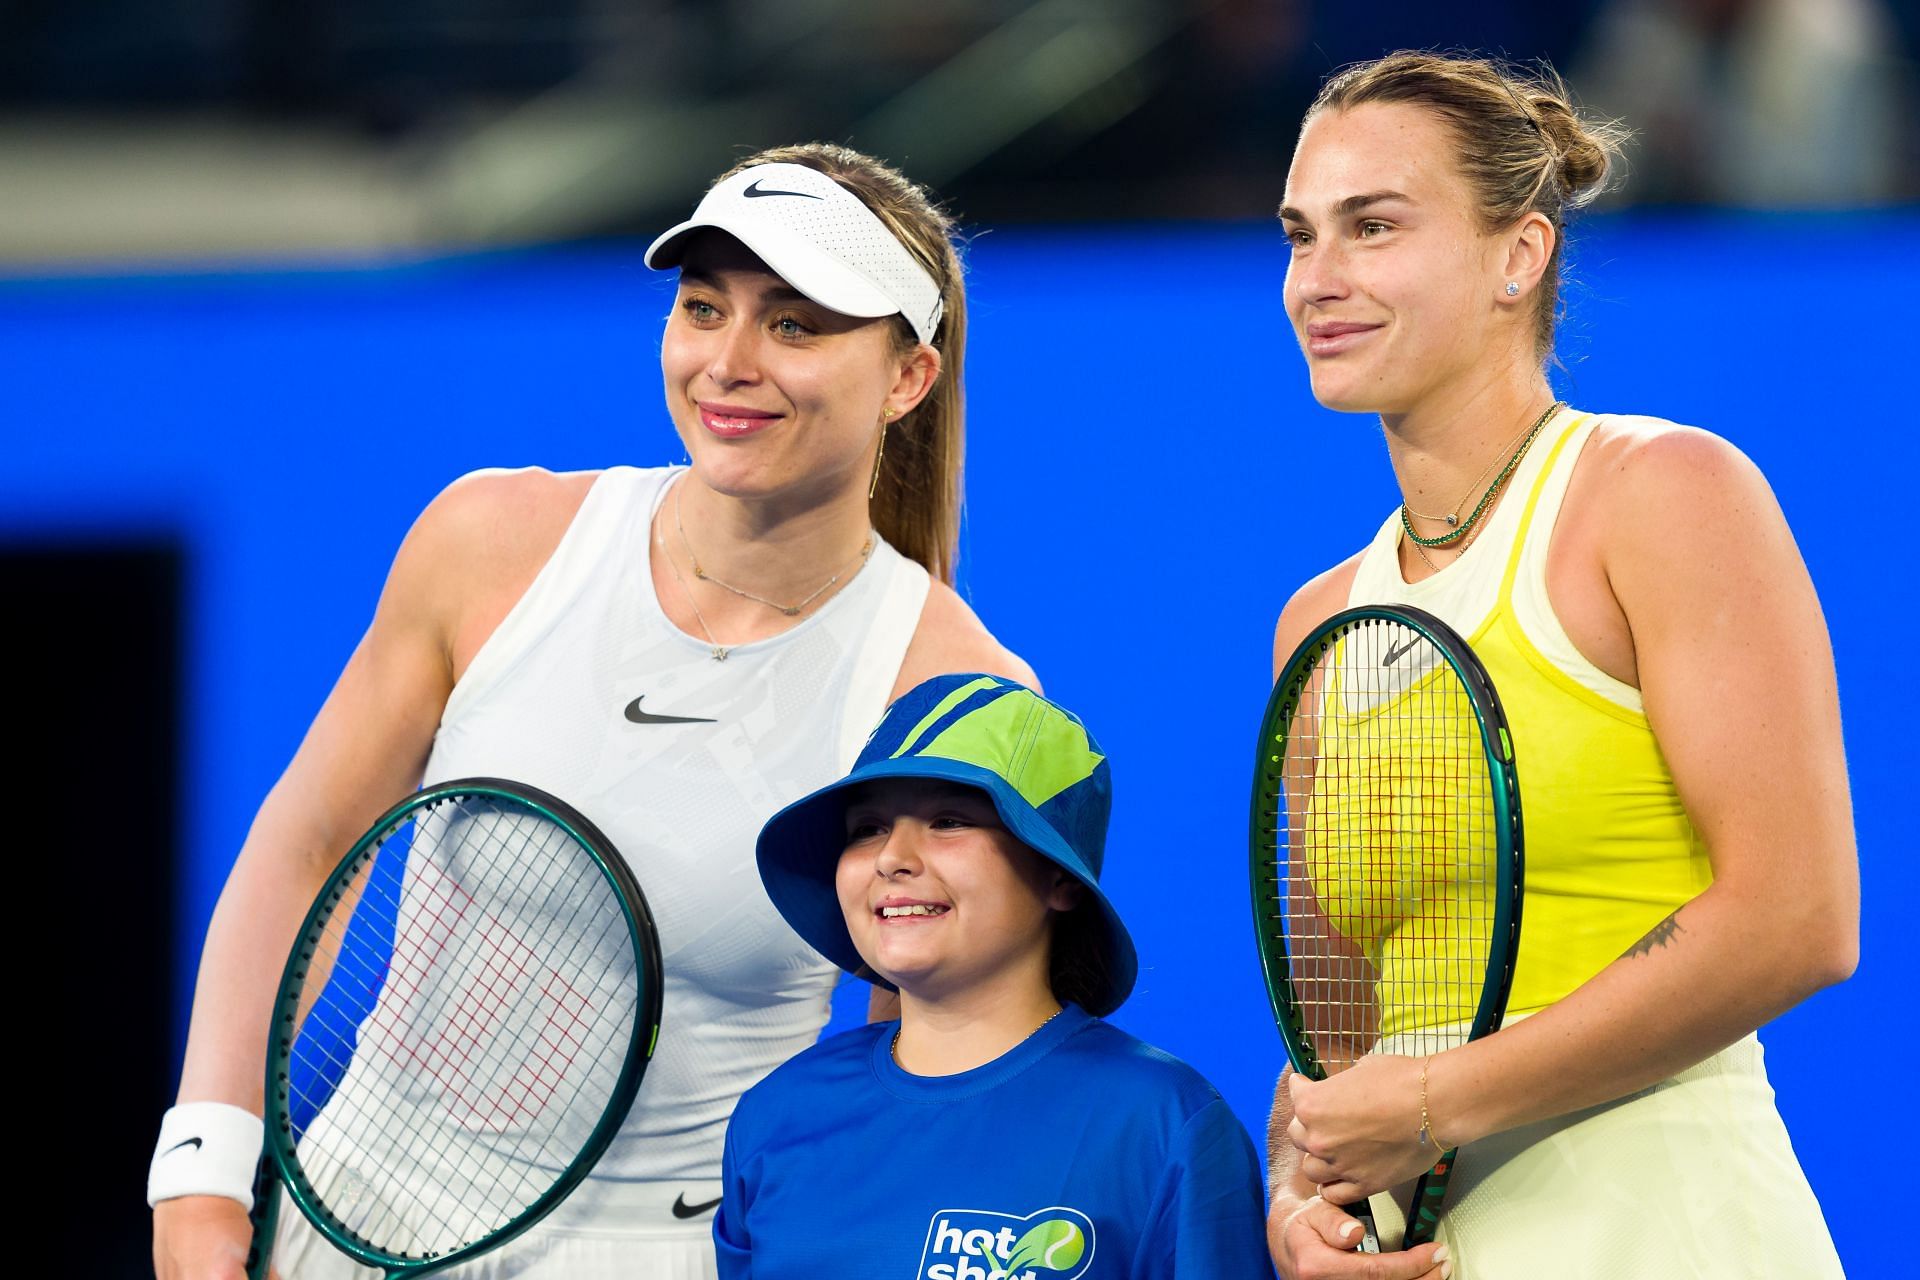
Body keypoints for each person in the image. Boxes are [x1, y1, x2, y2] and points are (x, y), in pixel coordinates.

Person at [148, 142, 1036, 1280]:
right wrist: (205, 1164)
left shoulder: (954, 696)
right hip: (345, 1219)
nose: (729, 361)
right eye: (704, 307)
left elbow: (912, 1060)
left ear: (908, 377)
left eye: (796, 326)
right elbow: (308, 845)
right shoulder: (488, 540)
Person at [1263, 51, 1855, 1280]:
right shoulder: (1317, 623)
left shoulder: (1664, 492)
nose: (1318, 280)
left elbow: (1797, 917)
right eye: (1300, 235)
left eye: (1372, 227)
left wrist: (1437, 1100)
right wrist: (1296, 1191)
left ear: (1518, 255)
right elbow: (1345, 1042)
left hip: (1670, 1231)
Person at [725, 672, 1274, 1279]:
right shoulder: (777, 1112)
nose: (891, 858)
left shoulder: (1165, 1125)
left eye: (949, 820)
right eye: (868, 828)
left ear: (1060, 877)